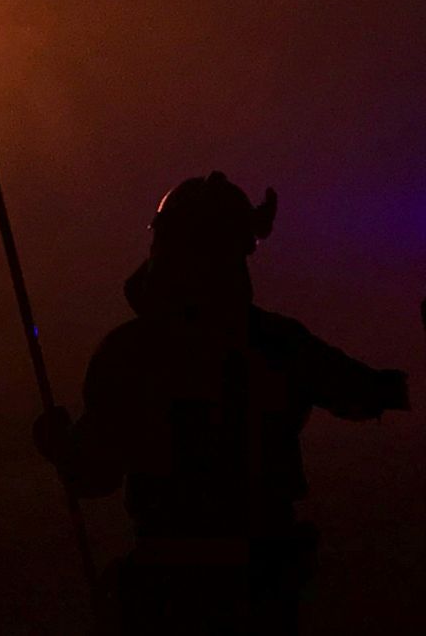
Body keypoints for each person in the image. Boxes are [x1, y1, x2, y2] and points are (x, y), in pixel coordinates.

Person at [33, 172, 409, 634]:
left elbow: (95, 474)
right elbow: (369, 394)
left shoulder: (130, 351)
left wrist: (60, 444)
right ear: (238, 253)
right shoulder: (278, 343)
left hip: (171, 587)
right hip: (264, 583)